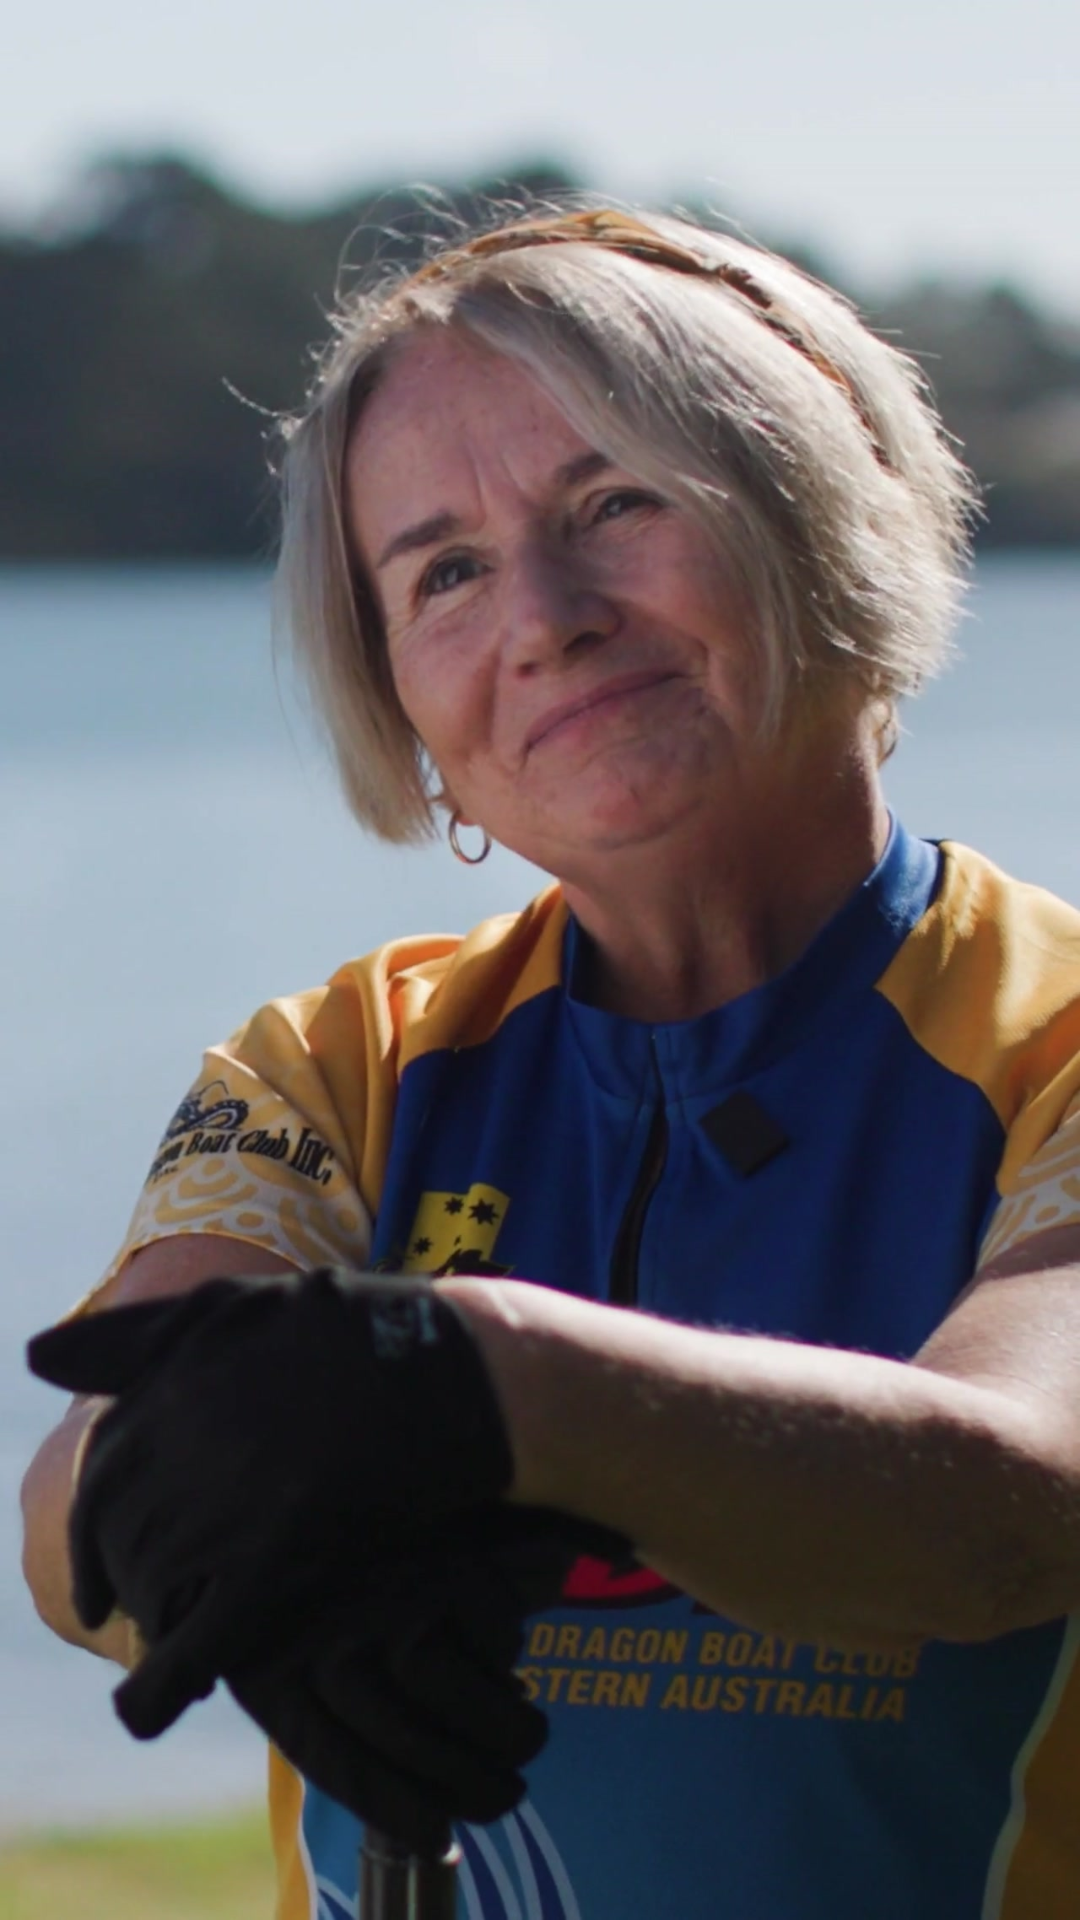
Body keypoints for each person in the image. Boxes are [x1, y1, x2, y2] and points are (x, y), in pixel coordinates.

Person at [21, 205, 1080, 1920]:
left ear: (821, 522)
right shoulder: (345, 1062)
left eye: (618, 503)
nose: (547, 616)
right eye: (441, 572)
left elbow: (1017, 1503)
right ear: (404, 716)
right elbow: (74, 1525)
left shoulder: (1058, 1039)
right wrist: (228, 1531)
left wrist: (480, 1382)